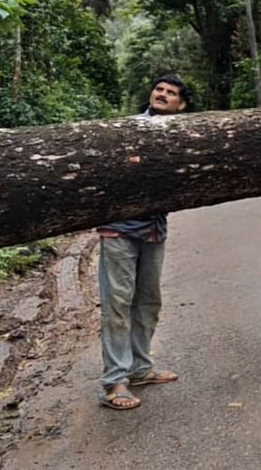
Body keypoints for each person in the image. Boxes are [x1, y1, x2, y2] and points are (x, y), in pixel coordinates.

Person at [96, 74, 190, 410]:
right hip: (119, 229)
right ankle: (115, 381)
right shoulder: (129, 128)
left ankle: (139, 368)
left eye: (171, 93)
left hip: (153, 229)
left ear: (181, 104)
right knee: (118, 305)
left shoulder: (185, 135)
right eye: (159, 89)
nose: (162, 94)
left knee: (148, 303)